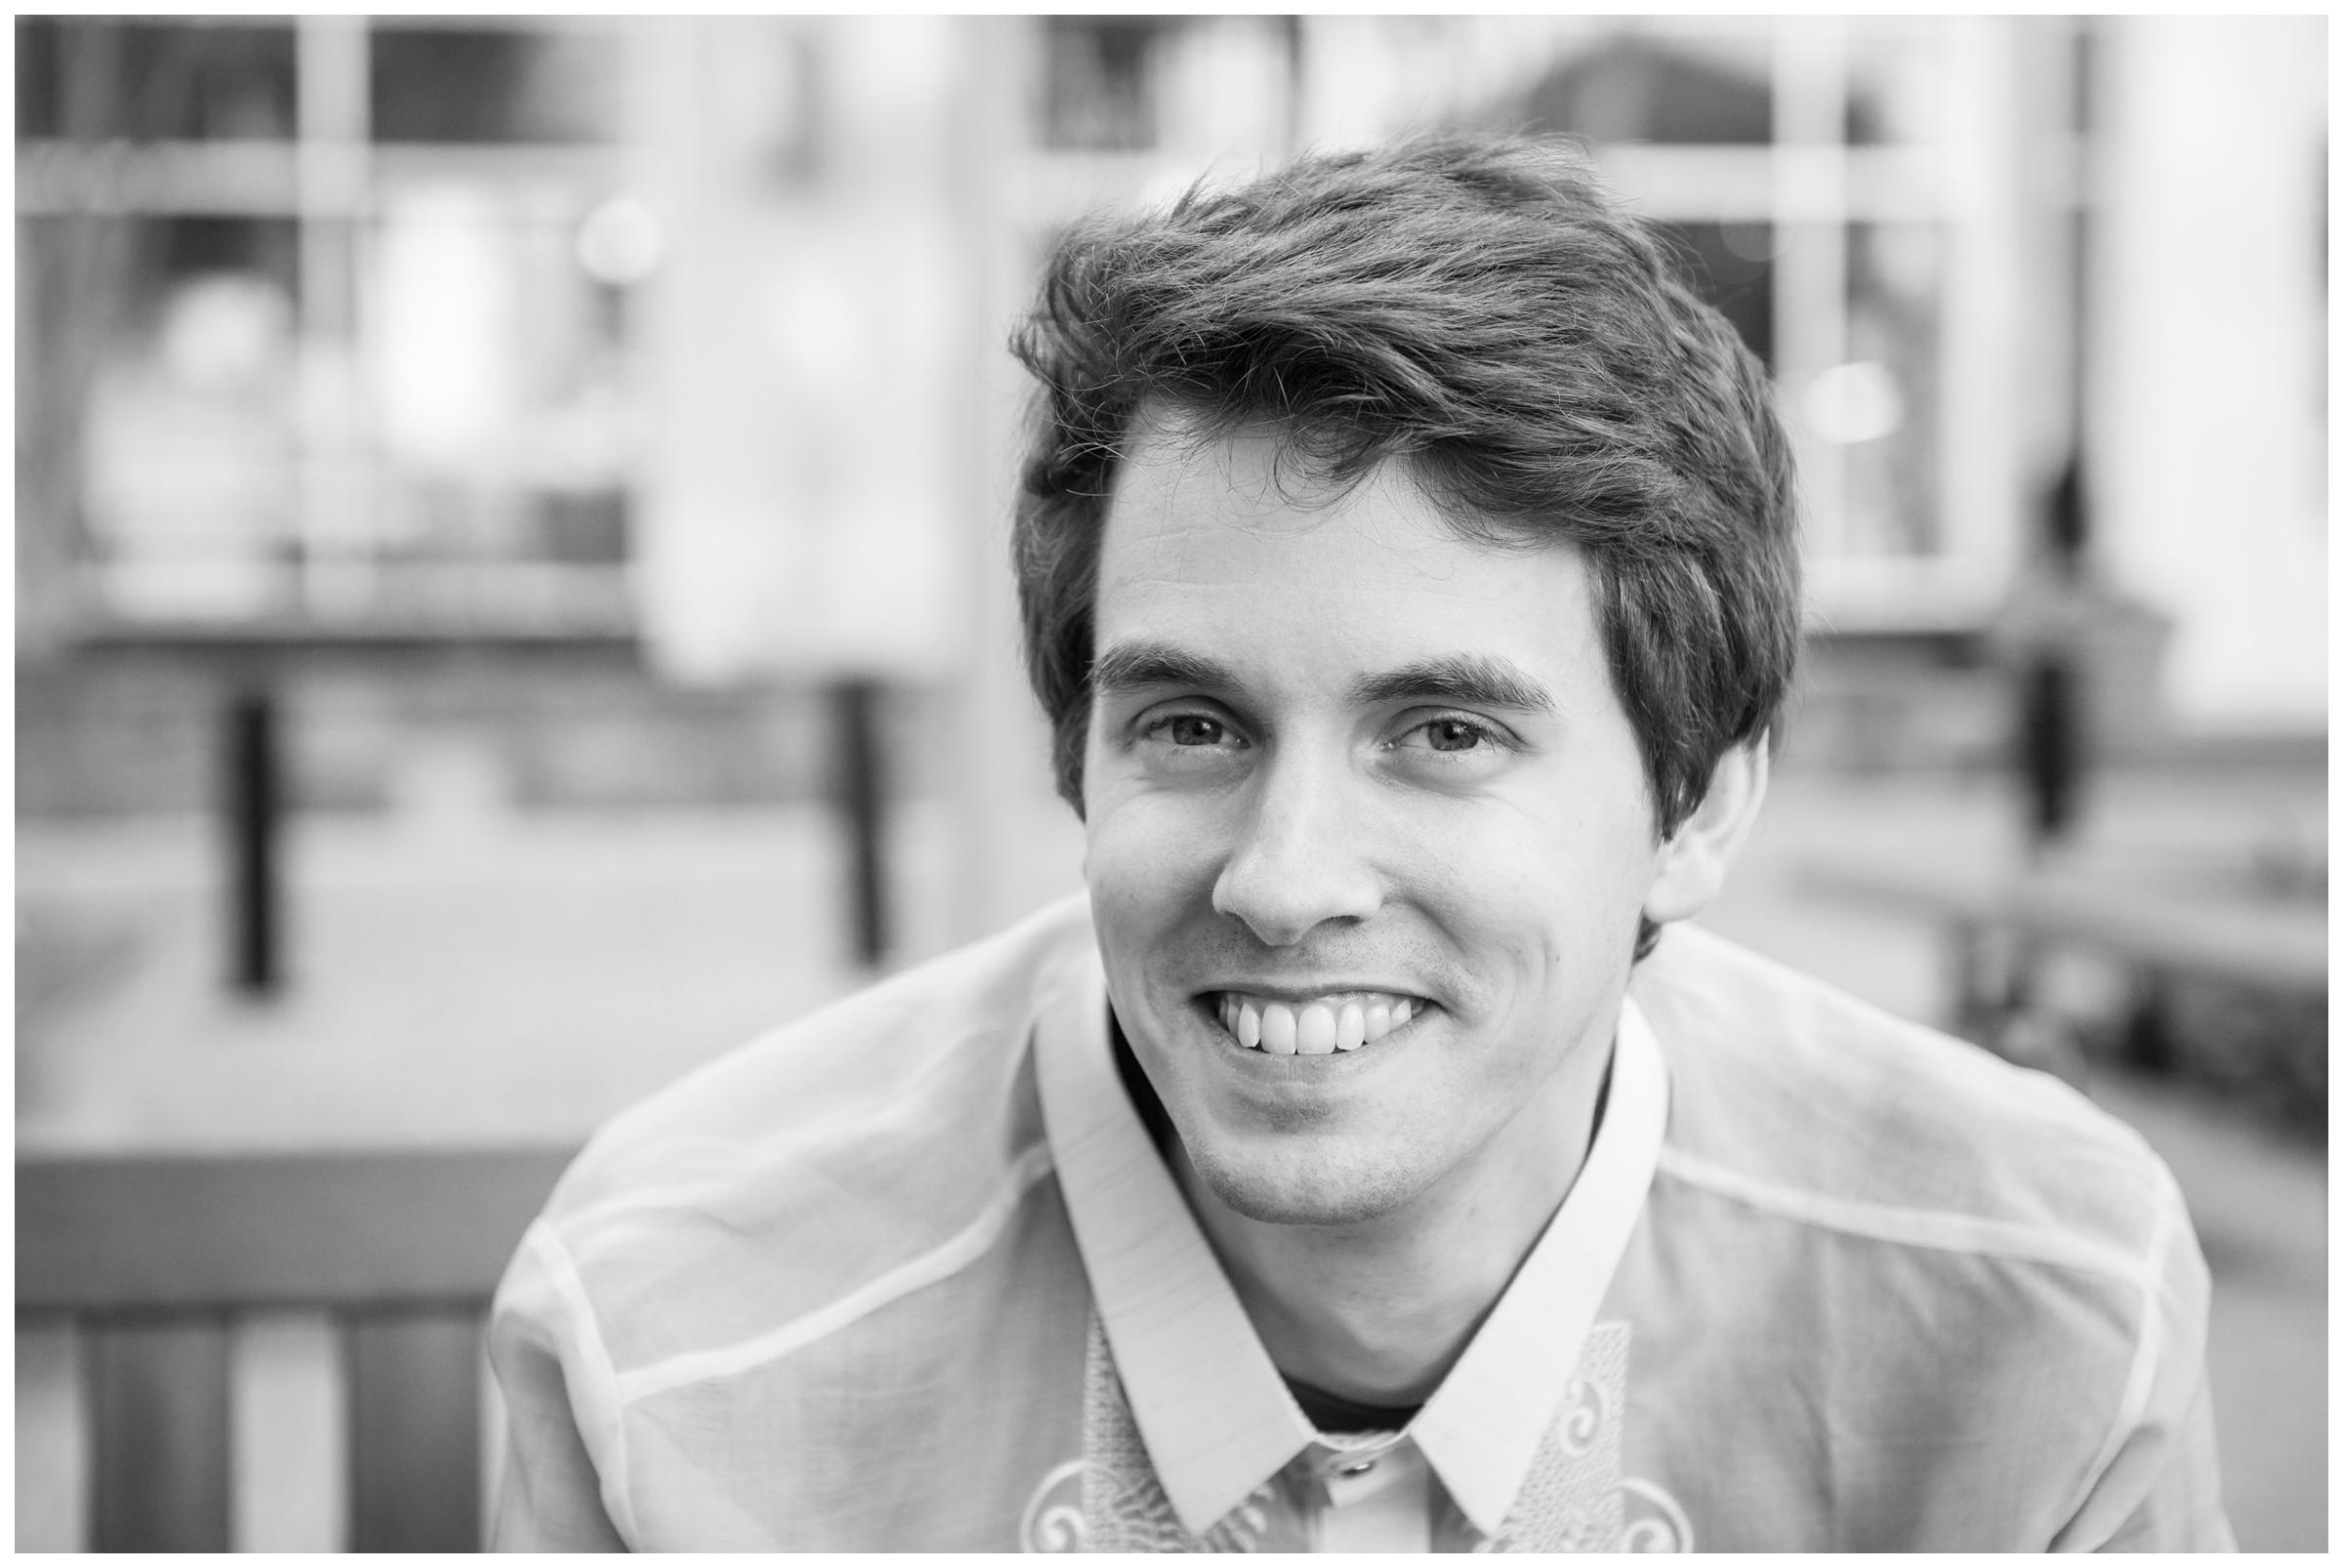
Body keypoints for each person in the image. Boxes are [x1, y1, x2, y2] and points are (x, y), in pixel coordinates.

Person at [486, 134, 2231, 1551]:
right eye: (1191, 724)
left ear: (1695, 803)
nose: (1284, 874)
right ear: (1074, 753)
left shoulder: (2040, 1325)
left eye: (1445, 735)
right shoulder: (683, 1351)